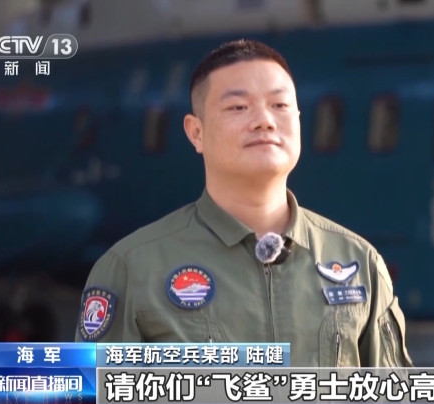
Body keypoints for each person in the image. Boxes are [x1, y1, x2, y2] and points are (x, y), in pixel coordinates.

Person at [75, 39, 413, 367]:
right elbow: (93, 389)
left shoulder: (359, 262)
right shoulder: (131, 268)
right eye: (238, 107)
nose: (265, 120)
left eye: (280, 105)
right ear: (196, 132)